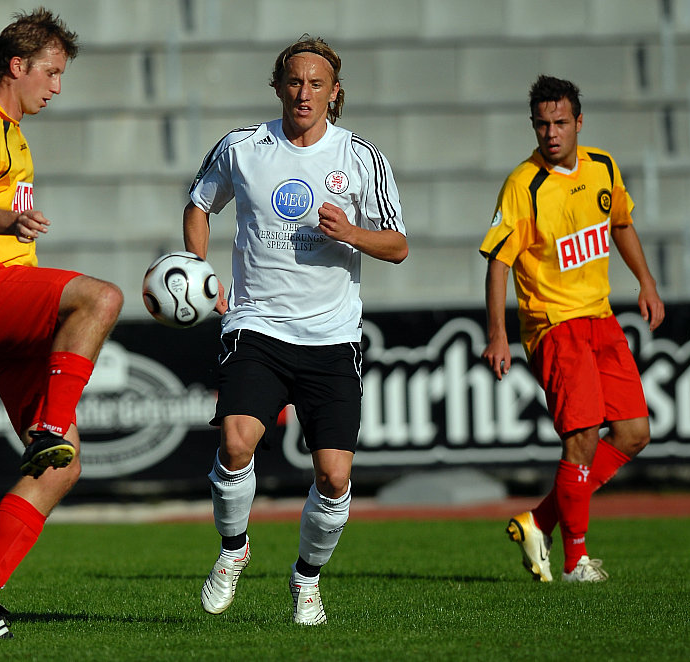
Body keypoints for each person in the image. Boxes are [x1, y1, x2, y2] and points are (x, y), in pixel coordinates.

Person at [183, 35, 407, 624]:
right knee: (235, 443)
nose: (304, 93)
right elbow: (199, 203)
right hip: (257, 326)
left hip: (333, 338)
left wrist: (352, 234)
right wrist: (198, 270)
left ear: (335, 93)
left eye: (316, 84)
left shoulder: (359, 156)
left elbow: (399, 245)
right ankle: (233, 552)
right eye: (294, 82)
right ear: (279, 86)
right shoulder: (242, 147)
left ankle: (306, 579)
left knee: (334, 477)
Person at [0, 8, 123, 639]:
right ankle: (46, 427)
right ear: (18, 64)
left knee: (63, 467)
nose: (57, 87)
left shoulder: (12, 131)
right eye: (52, 72)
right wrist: (8, 223)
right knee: (102, 298)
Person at [480, 75, 664, 583]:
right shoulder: (524, 184)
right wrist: (497, 333)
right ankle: (574, 560)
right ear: (534, 126)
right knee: (581, 435)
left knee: (633, 433)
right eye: (542, 124)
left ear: (579, 122)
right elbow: (498, 261)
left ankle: (539, 520)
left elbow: (621, 224)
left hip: (600, 317)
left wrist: (646, 282)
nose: (551, 133)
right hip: (553, 324)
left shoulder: (603, 166)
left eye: (561, 122)